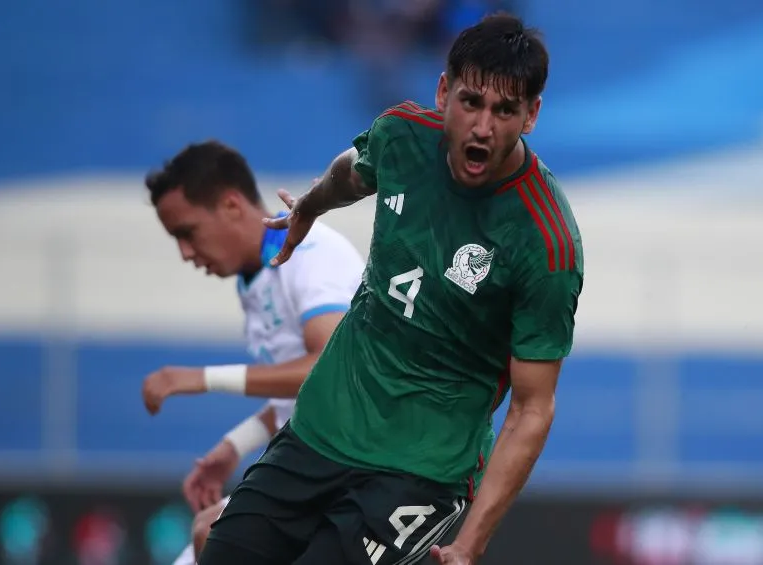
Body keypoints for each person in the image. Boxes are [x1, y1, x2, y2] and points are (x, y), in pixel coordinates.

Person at [199, 13, 583, 565]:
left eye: (505, 111)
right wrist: (311, 206)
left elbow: (532, 408)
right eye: (471, 101)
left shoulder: (545, 243)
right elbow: (352, 171)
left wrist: (470, 544)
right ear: (443, 91)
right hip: (321, 431)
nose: (483, 127)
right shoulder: (403, 136)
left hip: (420, 472)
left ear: (532, 116)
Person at [138, 140, 365, 564]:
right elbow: (301, 397)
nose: (185, 253)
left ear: (230, 205)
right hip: (317, 465)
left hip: (353, 477)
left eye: (187, 233)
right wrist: (233, 445)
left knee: (211, 532)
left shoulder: (310, 252)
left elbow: (330, 367)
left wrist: (197, 379)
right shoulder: (256, 280)